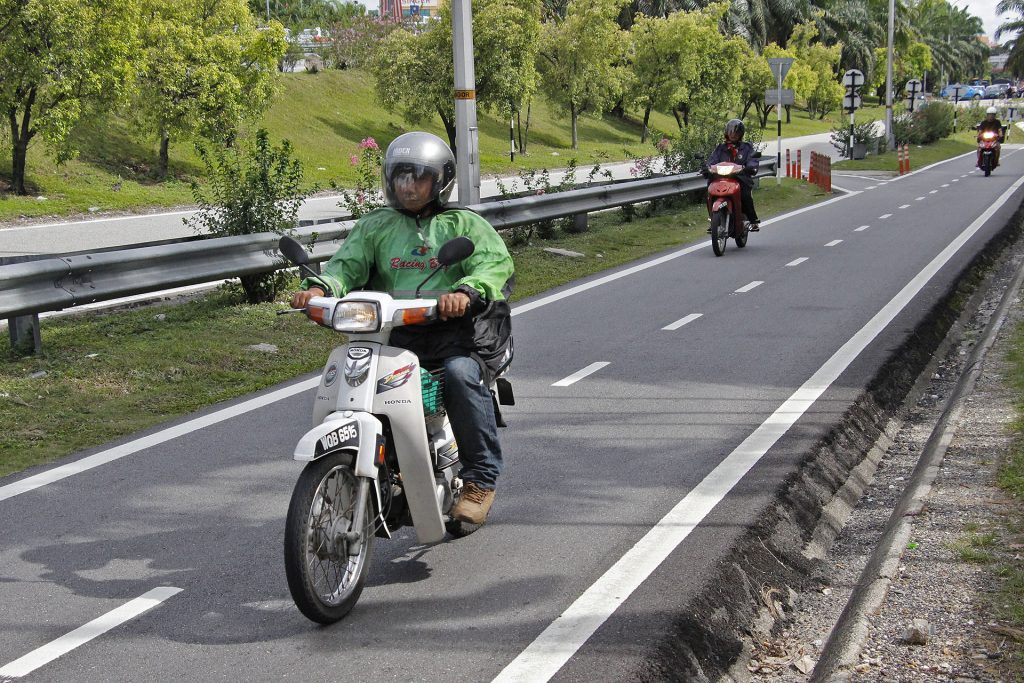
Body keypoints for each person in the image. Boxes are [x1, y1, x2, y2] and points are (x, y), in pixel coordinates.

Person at [290, 131, 515, 526]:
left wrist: (466, 291)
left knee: (462, 377)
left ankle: (480, 480)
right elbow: (346, 265)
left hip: (456, 336)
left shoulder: (462, 224)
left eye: (419, 176)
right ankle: (384, 475)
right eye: (400, 176)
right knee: (357, 380)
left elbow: (494, 265)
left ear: (441, 179)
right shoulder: (376, 225)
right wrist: (320, 289)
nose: (408, 186)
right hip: (392, 336)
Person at [703, 119, 761, 231]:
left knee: (745, 195)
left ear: (741, 134)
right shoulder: (721, 148)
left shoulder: (746, 147)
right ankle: (713, 220)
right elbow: (712, 160)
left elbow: (752, 160)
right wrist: (707, 168)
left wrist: (749, 167)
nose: (733, 134)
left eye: (736, 132)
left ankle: (753, 220)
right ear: (726, 132)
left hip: (740, 178)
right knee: (709, 192)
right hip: (720, 178)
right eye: (730, 132)